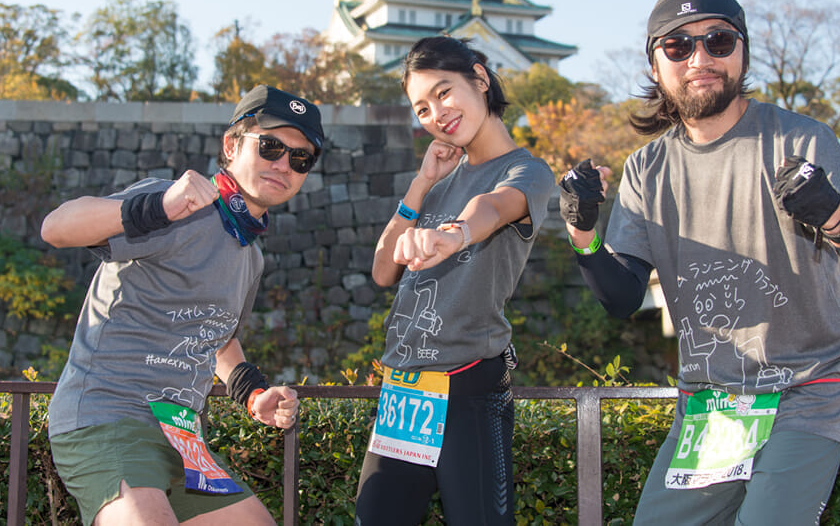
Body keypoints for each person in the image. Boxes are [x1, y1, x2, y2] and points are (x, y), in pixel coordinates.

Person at [559, 0, 840, 525]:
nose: (700, 59)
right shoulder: (647, 169)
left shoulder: (801, 141)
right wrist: (582, 232)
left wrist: (835, 213)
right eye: (678, 47)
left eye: (718, 41)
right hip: (712, 407)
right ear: (655, 63)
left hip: (804, 391)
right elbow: (621, 296)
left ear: (742, 51)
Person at [41, 85, 325, 525]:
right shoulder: (176, 204)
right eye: (270, 146)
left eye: (300, 158)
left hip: (180, 435)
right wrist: (157, 206)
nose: (283, 164)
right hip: (110, 417)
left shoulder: (250, 254)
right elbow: (56, 227)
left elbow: (215, 336)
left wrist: (252, 394)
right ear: (232, 145)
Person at [353, 36, 554, 525]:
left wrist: (456, 233)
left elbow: (492, 207)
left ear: (480, 79)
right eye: (421, 108)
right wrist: (421, 184)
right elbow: (383, 271)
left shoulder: (527, 171)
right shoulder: (439, 181)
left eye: (443, 92)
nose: (435, 113)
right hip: (404, 390)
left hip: (466, 386)